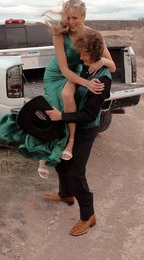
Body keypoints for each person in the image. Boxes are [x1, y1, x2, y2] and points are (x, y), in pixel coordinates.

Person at [44, 27, 112, 236]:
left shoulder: (102, 79)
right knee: (62, 163)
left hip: (85, 129)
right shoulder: (87, 67)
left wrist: (61, 117)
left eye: (83, 53)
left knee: (75, 172)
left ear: (93, 53)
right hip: (72, 124)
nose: (80, 57)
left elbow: (90, 116)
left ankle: (88, 215)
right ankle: (66, 195)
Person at [38, 0, 116, 179]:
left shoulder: (93, 35)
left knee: (67, 96)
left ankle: (70, 142)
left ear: (84, 16)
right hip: (57, 73)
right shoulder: (59, 34)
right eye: (68, 17)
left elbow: (112, 66)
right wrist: (87, 83)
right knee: (52, 108)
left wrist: (102, 60)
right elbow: (64, 69)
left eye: (75, 18)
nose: (70, 22)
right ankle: (43, 155)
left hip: (77, 72)